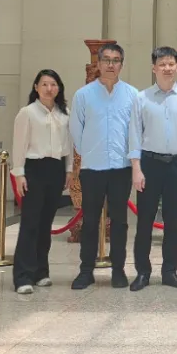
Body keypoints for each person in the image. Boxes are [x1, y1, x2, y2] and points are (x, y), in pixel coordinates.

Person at [126, 46, 177, 292]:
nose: (167, 68)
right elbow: (134, 134)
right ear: (154, 68)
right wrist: (136, 168)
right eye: (162, 64)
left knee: (172, 220)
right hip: (149, 164)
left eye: (171, 64)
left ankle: (170, 271)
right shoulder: (141, 98)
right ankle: (142, 272)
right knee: (145, 220)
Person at [69, 44, 138, 290]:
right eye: (106, 60)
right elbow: (76, 130)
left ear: (122, 64)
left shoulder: (132, 95)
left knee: (119, 222)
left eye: (116, 60)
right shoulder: (83, 95)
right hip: (93, 167)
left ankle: (118, 270)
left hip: (121, 167)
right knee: (90, 221)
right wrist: (89, 151)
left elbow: (136, 131)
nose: (111, 64)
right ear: (98, 64)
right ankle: (85, 271)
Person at [11, 69, 73, 295]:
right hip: (33, 169)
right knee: (30, 223)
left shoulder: (64, 113)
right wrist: (19, 174)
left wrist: (68, 170)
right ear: (36, 87)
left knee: (46, 224)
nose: (49, 88)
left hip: (56, 169)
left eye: (53, 84)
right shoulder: (27, 113)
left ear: (59, 88)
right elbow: (19, 144)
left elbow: (69, 144)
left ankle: (41, 272)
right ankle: (23, 276)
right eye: (44, 84)